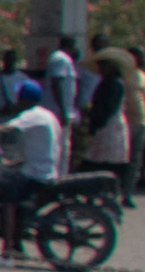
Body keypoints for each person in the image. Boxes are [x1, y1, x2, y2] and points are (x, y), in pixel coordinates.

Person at [0, 74, 68, 259]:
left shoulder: (30, 115)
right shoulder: (48, 115)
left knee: (8, 199)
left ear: (23, 99)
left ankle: (7, 249)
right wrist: (13, 163)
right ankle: (17, 243)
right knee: (9, 178)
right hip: (45, 169)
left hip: (37, 174)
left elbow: (6, 129)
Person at [84, 45, 136, 207]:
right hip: (107, 126)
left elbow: (107, 108)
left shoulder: (113, 84)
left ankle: (105, 196)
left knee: (103, 163)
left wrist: (96, 122)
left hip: (109, 127)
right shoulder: (108, 83)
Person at [49, 35, 83, 121]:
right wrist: (62, 109)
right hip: (58, 110)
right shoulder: (60, 58)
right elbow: (56, 83)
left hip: (65, 110)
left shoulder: (66, 59)